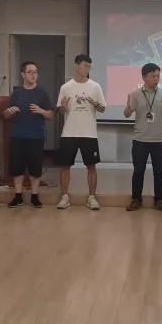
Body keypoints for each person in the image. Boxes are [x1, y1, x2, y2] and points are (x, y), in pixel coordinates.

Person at [124, 63, 162, 211]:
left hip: (159, 140)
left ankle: (159, 200)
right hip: (140, 140)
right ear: (144, 77)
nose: (156, 79)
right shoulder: (135, 94)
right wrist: (128, 107)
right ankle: (136, 199)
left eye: (158, 76)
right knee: (138, 171)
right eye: (153, 76)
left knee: (159, 172)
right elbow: (127, 114)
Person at [56, 54, 106, 210]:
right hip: (69, 133)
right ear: (76, 66)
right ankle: (65, 197)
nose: (87, 69)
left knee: (91, 167)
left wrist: (95, 103)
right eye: (85, 66)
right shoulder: (66, 87)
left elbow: (102, 108)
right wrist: (63, 105)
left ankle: (91, 197)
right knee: (65, 166)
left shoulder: (95, 86)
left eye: (89, 67)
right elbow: (61, 111)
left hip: (89, 133)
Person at [3, 61, 54, 208]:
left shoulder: (42, 93)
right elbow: (6, 115)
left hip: (36, 136)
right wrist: (8, 112)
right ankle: (18, 196)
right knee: (17, 168)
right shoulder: (16, 93)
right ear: (23, 75)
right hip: (18, 136)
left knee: (35, 168)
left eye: (35, 72)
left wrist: (41, 111)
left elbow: (50, 115)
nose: (33, 75)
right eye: (30, 72)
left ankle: (34, 196)